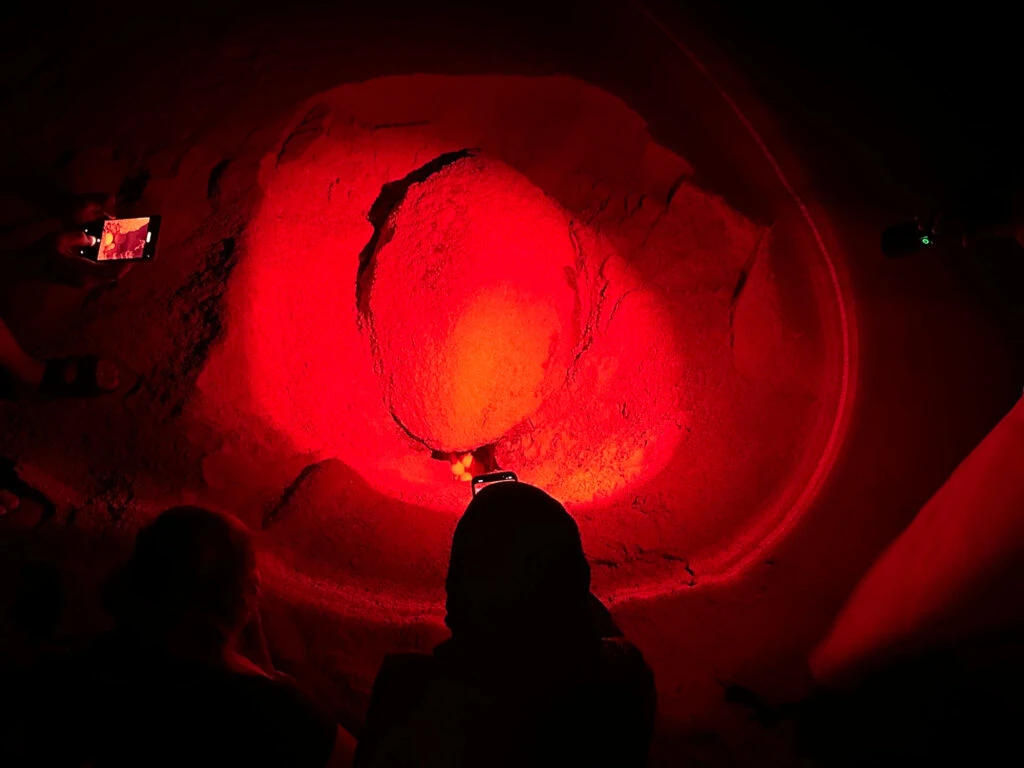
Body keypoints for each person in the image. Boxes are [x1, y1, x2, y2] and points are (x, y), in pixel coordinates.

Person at [8, 506, 356, 767]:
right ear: (242, 597)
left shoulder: (91, 665)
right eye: (251, 572)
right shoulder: (276, 711)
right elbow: (355, 757)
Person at [355, 482, 656, 768]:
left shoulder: (411, 698)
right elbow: (587, 627)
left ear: (456, 597)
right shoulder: (624, 679)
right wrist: (558, 584)